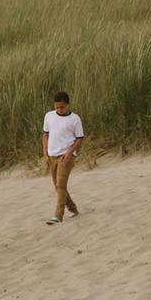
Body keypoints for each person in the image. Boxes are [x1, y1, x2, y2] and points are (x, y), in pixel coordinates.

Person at [42, 91, 84, 224]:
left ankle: (58, 216)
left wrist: (70, 152)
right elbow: (45, 135)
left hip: (66, 156)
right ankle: (73, 209)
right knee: (58, 186)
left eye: (62, 107)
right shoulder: (49, 116)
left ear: (68, 105)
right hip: (52, 155)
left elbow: (79, 139)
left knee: (60, 185)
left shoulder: (75, 119)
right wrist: (45, 153)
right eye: (57, 107)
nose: (59, 110)